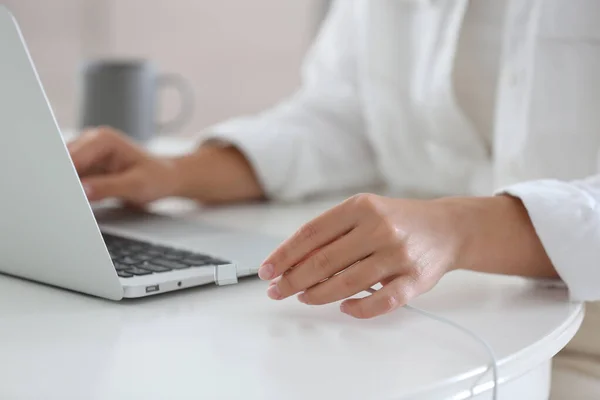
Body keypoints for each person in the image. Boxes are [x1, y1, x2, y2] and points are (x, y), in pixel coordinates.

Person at [67, 1, 600, 398]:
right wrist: (178, 173)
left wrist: (462, 227)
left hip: (582, 344)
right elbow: (343, 114)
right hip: (445, 317)